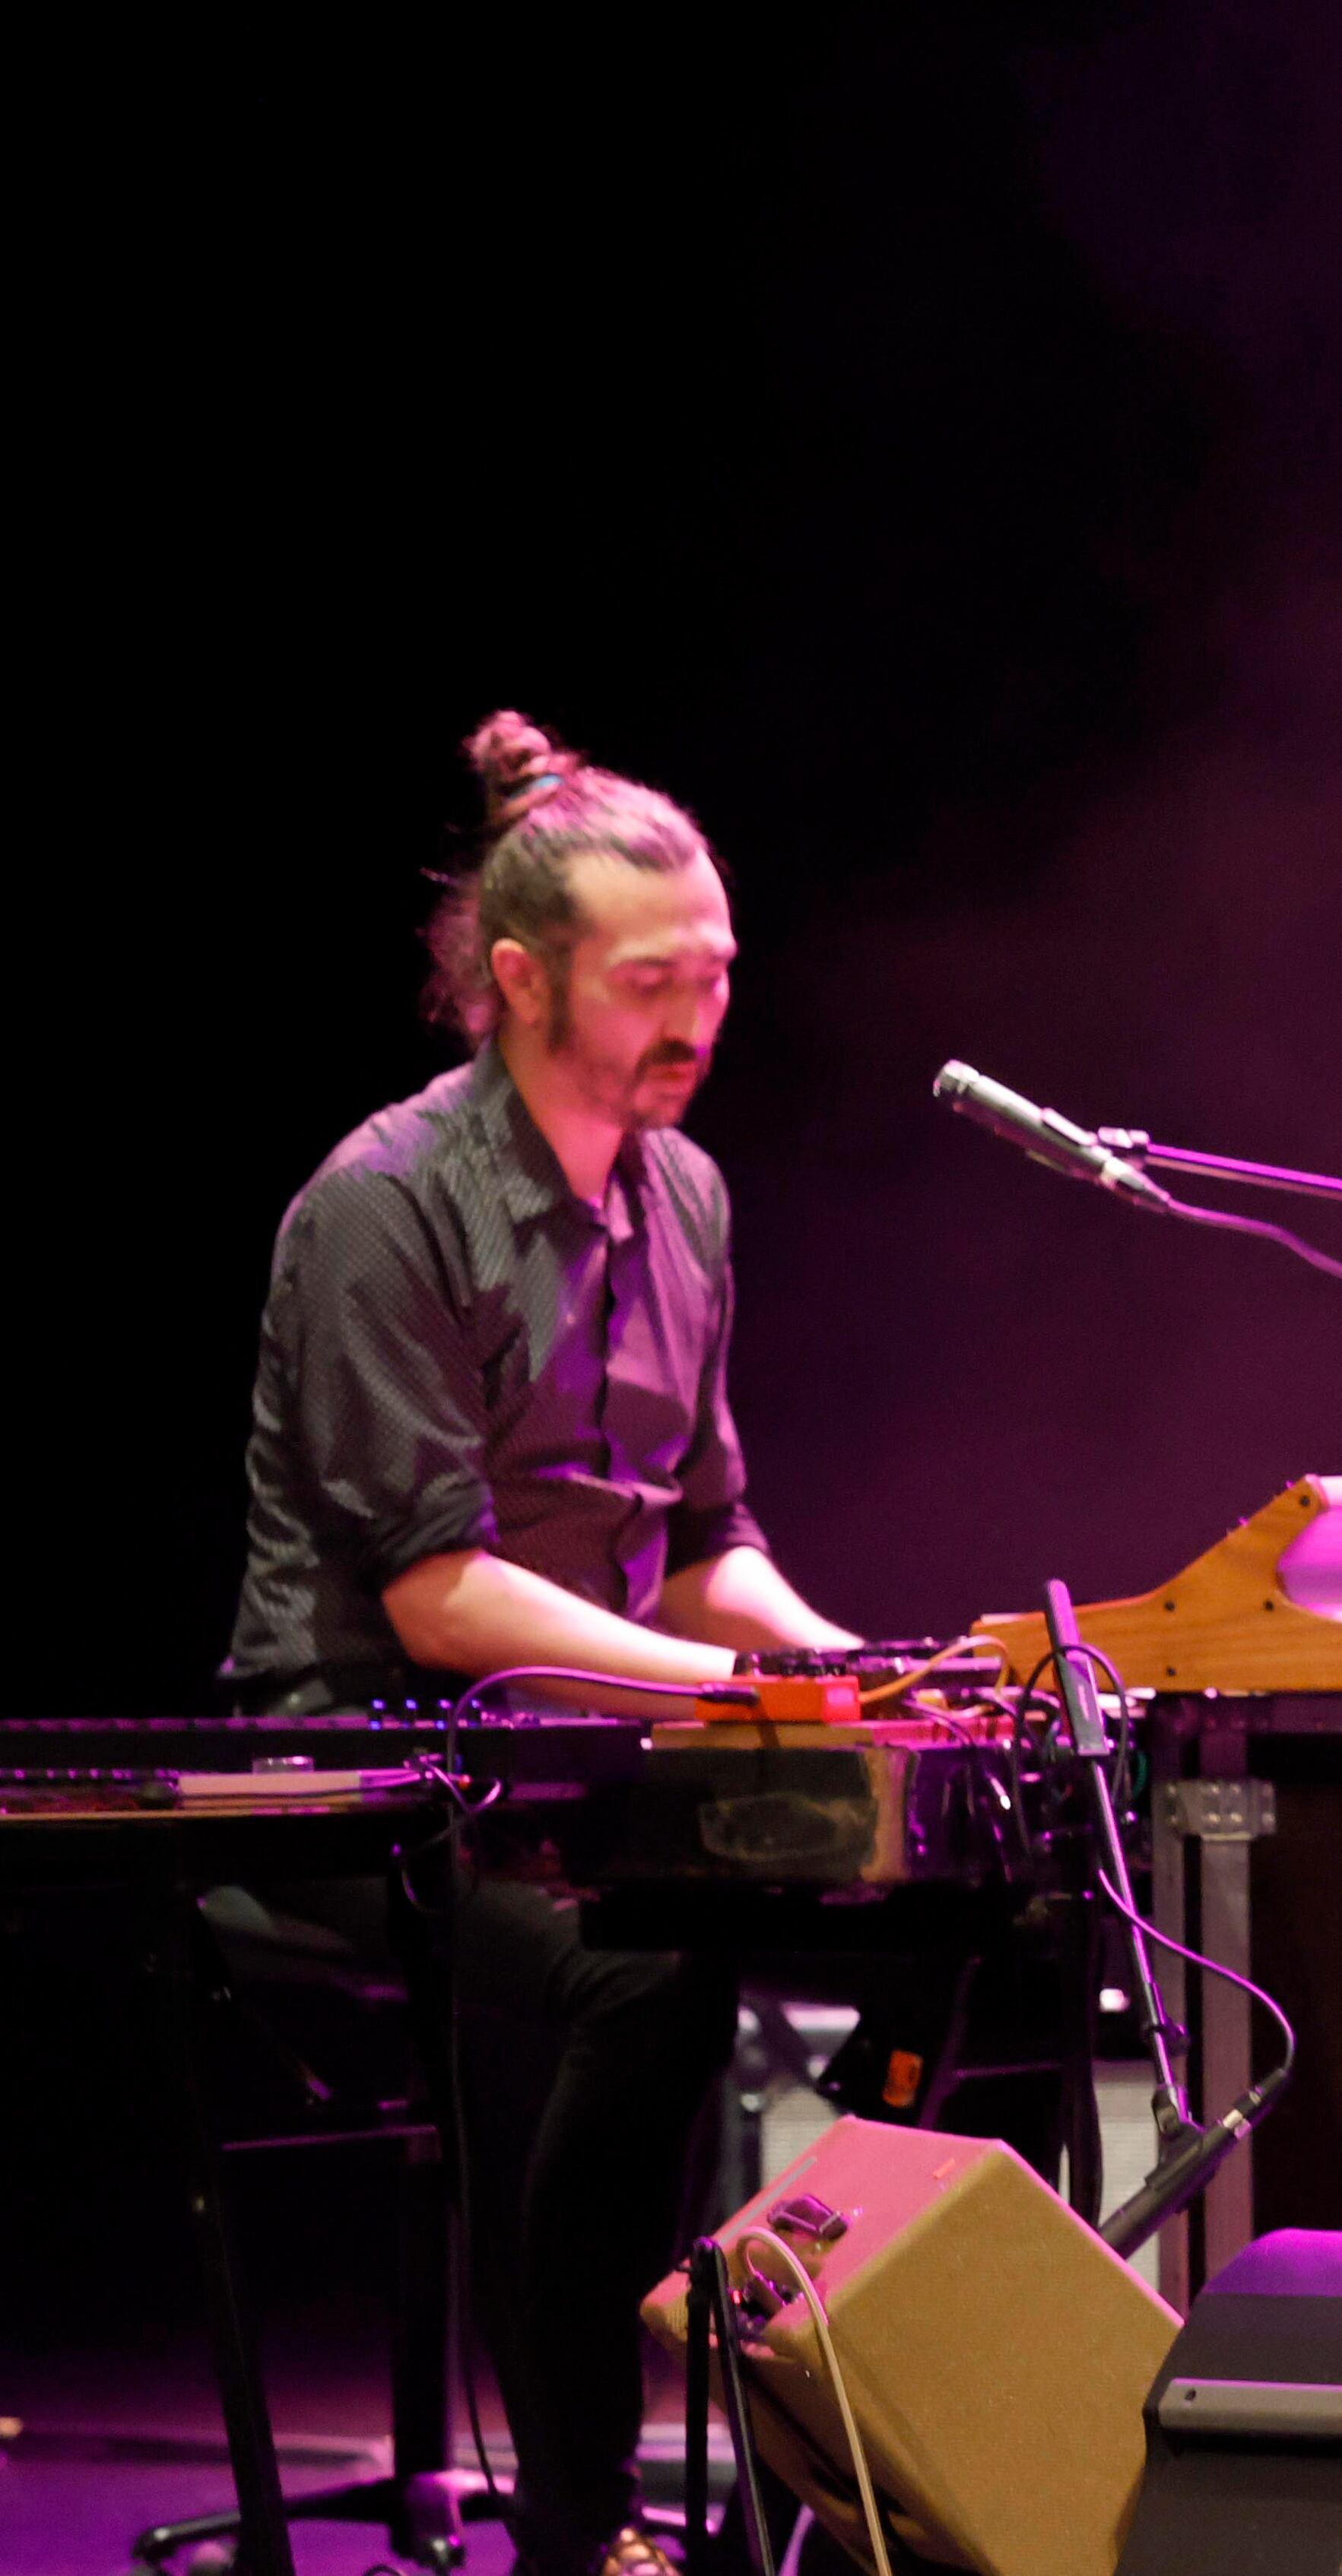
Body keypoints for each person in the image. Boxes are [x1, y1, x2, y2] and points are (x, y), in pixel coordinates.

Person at [224, 712, 857, 2576]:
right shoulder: (381, 1210)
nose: (698, 1016)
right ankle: (586, 2528)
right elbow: (442, 1601)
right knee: (638, 1982)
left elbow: (708, 1546)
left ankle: (826, 2500)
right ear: (520, 980)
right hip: (356, 1780)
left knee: (933, 1926)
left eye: (716, 975)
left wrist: (857, 1665)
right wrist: (758, 1692)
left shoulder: (692, 1200)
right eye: (651, 982)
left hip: (580, 1774)